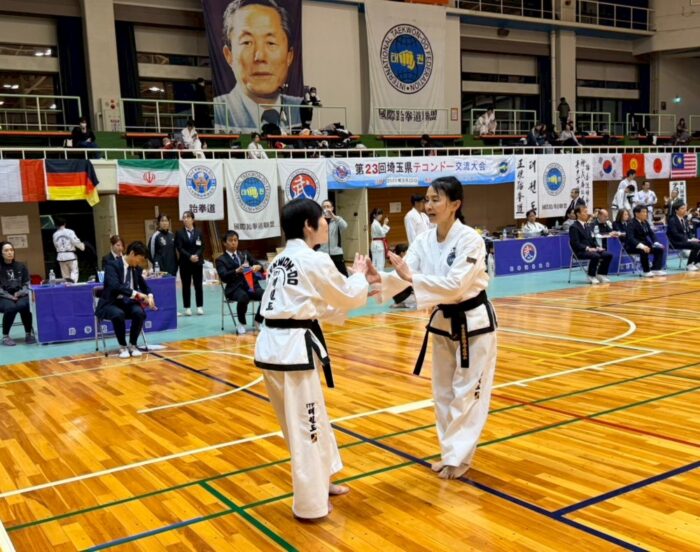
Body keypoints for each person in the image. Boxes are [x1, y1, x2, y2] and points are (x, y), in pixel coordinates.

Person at [368, 176, 497, 480]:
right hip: (442, 322)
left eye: (436, 199)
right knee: (442, 393)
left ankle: (459, 457)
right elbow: (404, 274)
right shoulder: (424, 241)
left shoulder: (471, 240)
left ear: (455, 204)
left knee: (468, 393)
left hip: (473, 323)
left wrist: (411, 278)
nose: (429, 205)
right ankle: (449, 452)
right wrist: (378, 280)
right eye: (427, 199)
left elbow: (455, 285)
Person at [254, 198, 372, 520]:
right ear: (308, 225)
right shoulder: (313, 259)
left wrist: (359, 290)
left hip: (273, 349)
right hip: (293, 352)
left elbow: (313, 305)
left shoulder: (281, 259)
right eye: (323, 219)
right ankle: (310, 504)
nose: (326, 223)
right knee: (307, 425)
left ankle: (323, 479)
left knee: (305, 421)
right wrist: (360, 276)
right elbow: (347, 294)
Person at [213, 0, 302, 132]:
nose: (259, 56)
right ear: (228, 55)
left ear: (289, 56)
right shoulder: (219, 110)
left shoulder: (300, 109)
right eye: (247, 42)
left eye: (271, 43)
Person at [95, 241, 156, 359]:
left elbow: (144, 286)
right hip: (111, 303)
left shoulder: (136, 269)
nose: (139, 263)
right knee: (118, 314)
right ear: (132, 253)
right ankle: (122, 346)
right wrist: (137, 294)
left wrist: (150, 295)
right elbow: (115, 286)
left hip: (128, 302)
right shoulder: (111, 266)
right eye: (139, 259)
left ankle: (133, 344)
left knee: (139, 313)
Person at [216, 230, 265, 333]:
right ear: (224, 243)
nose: (233, 242)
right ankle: (241, 323)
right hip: (234, 288)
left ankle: (258, 320)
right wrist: (236, 271)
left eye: (235, 240)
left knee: (267, 295)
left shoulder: (245, 254)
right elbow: (223, 276)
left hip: (251, 285)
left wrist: (258, 267)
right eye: (230, 240)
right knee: (243, 297)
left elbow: (260, 265)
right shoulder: (221, 259)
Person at [0, 242, 35, 346]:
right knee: (11, 307)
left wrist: (20, 293)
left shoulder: (21, 266)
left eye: (11, 250)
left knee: (25, 305)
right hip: (3, 296)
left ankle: (28, 334)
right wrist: (10, 296)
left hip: (19, 294)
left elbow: (27, 284)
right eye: (6, 250)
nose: (10, 252)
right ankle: (5, 336)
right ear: (1, 253)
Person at [569, 206, 613, 284]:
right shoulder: (574, 227)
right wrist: (588, 248)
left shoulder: (587, 225)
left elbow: (592, 240)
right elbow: (575, 243)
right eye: (584, 212)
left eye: (587, 212)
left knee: (608, 255)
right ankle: (590, 276)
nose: (587, 214)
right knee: (595, 255)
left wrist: (597, 247)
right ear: (578, 214)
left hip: (591, 249)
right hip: (581, 251)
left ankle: (601, 274)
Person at [175, 211, 205, 315]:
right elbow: (179, 248)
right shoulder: (179, 233)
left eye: (188, 217)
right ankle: (187, 307)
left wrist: (196, 255)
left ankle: (199, 306)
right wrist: (189, 256)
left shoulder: (199, 232)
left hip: (197, 262)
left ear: (193, 219)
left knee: (198, 285)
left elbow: (202, 246)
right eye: (184, 218)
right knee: (186, 286)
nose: (185, 219)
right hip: (185, 263)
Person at [626, 205, 665, 277]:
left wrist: (656, 242)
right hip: (633, 246)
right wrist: (642, 246)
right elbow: (631, 238)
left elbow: (651, 234)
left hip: (645, 244)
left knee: (659, 249)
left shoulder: (645, 222)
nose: (645, 214)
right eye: (643, 212)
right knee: (644, 250)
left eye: (646, 212)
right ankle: (646, 271)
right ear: (636, 213)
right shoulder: (631, 223)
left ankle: (656, 269)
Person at [667, 201, 700, 271]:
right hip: (676, 242)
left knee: (697, 242)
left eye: (685, 208)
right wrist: (688, 239)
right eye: (682, 208)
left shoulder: (684, 220)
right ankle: (689, 264)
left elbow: (688, 232)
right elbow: (675, 234)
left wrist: (692, 238)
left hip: (685, 240)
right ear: (676, 210)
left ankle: (697, 262)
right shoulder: (672, 220)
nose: (685, 210)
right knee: (696, 245)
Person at [318, 199, 348, 276]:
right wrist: (320, 219)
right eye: (324, 207)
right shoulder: (319, 221)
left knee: (343, 275)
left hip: (336, 252)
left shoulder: (337, 220)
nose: (326, 208)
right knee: (323, 275)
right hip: (322, 252)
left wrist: (333, 216)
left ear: (332, 208)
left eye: (328, 206)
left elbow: (345, 226)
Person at [52, 217, 85, 282]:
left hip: (61, 256)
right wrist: (82, 247)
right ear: (65, 224)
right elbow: (75, 241)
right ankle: (73, 285)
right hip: (70, 255)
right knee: (74, 272)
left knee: (65, 275)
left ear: (56, 225)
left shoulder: (55, 234)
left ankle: (67, 285)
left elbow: (56, 245)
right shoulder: (70, 232)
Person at [389, 243, 415, 309]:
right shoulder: (405, 264)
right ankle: (404, 304)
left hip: (397, 297)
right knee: (423, 301)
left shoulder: (398, 264)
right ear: (402, 253)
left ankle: (401, 302)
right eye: (407, 252)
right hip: (404, 296)